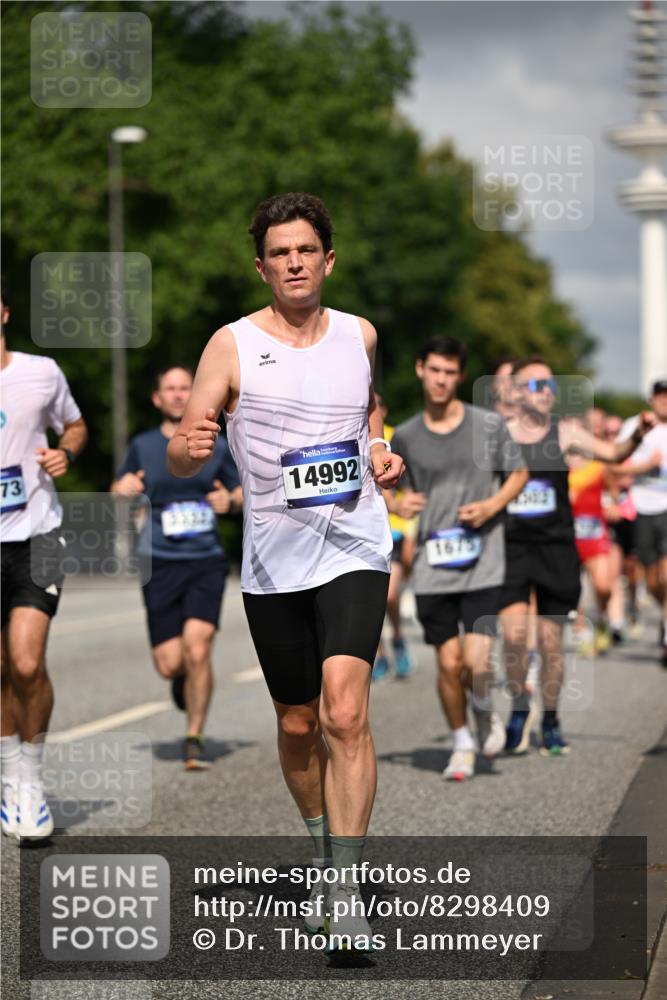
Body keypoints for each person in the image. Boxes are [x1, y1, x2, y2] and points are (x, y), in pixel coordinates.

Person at [166, 192, 404, 948]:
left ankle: (345, 886)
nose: (294, 263)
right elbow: (182, 444)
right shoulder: (230, 345)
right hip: (274, 560)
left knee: (344, 712)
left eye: (306, 250)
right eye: (280, 253)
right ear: (261, 265)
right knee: (298, 723)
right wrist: (190, 448)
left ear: (327, 259)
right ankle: (320, 847)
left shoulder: (358, 335)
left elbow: (369, 410)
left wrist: (377, 452)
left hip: (354, 543)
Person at [388, 337, 529, 782]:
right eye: (434, 370)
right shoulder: (407, 435)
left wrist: (492, 507)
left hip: (484, 559)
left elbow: (519, 473)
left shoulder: (487, 426)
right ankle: (462, 742)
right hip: (433, 565)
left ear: (460, 377)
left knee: (475, 661)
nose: (441, 380)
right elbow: (385, 484)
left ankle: (484, 707)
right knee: (448, 664)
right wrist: (396, 505)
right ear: (419, 369)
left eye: (450, 372)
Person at [501, 357, 656, 756]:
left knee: (552, 644)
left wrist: (637, 433)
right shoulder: (495, 436)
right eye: (536, 385)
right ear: (517, 392)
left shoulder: (565, 432)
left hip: (556, 548)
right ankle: (519, 708)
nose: (546, 391)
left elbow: (614, 452)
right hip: (512, 548)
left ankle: (550, 717)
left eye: (549, 384)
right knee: (516, 637)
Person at [111, 366, 241, 770]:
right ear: (157, 398)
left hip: (205, 560)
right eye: (170, 388)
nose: (179, 394)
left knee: (198, 647)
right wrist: (123, 490)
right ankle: (187, 680)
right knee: (171, 663)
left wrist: (231, 503)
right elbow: (120, 489)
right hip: (159, 562)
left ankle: (194, 735)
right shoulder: (143, 444)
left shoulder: (213, 445)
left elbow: (240, 490)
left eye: (186, 387)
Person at [0, 288, 88, 840]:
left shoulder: (41, 371)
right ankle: (8, 777)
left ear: (4, 313)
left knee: (26, 663)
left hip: (37, 533)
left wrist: (67, 452)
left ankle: (29, 779)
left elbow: (74, 426)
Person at [617, 380, 667, 666]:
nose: (665, 402)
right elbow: (614, 465)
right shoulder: (633, 426)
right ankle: (664, 615)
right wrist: (646, 465)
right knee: (651, 579)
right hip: (641, 506)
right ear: (651, 400)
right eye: (661, 397)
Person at [372, 392, 413, 680]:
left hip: (393, 531)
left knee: (387, 596)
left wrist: (410, 532)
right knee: (363, 602)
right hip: (359, 533)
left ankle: (397, 635)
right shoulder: (341, 434)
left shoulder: (392, 440)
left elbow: (398, 488)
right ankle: (378, 654)